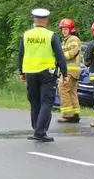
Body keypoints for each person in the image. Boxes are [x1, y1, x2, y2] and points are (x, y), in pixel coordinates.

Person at [18, 8, 68, 142]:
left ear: (34, 20)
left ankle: (36, 129)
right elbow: (60, 56)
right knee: (46, 102)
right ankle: (40, 132)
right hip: (47, 73)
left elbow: (21, 54)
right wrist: (65, 73)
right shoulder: (51, 35)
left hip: (30, 72)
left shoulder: (26, 35)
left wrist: (21, 71)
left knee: (34, 102)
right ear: (46, 21)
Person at [57, 17, 82, 123]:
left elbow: (73, 52)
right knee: (71, 92)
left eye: (66, 28)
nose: (63, 31)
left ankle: (68, 115)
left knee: (63, 89)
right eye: (62, 29)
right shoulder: (66, 40)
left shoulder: (73, 39)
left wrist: (59, 56)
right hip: (71, 70)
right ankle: (75, 113)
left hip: (70, 71)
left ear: (71, 29)